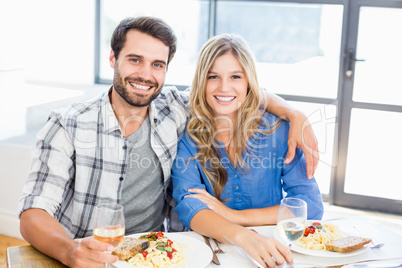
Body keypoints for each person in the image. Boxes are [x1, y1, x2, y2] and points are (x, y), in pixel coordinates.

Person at [19, 16, 319, 268]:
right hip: (82, 254)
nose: (145, 74)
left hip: (153, 254)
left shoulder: (173, 108)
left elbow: (231, 94)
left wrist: (294, 114)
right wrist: (70, 252)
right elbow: (34, 213)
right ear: (113, 58)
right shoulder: (67, 124)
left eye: (157, 64)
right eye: (134, 60)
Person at [171, 33, 324, 268]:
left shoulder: (280, 130)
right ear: (202, 80)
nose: (224, 87)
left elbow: (309, 204)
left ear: (248, 82)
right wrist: (242, 236)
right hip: (212, 252)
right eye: (213, 76)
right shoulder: (189, 135)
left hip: (273, 250)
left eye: (235, 76)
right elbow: (190, 206)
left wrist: (236, 217)